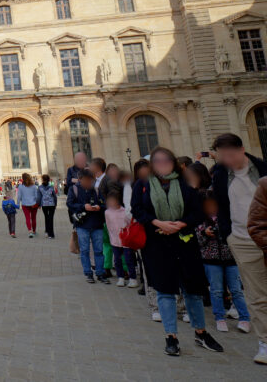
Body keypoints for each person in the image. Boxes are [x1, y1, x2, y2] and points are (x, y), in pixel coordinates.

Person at [133, 146, 221, 356]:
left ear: (173, 162)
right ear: (152, 165)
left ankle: (201, 332)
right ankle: (170, 336)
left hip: (184, 242)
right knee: (164, 291)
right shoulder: (142, 185)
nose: (162, 164)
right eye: (158, 161)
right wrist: (157, 223)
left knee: (193, 290)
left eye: (166, 160)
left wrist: (180, 224)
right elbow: (137, 210)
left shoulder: (184, 184)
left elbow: (198, 212)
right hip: (157, 244)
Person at [208, 132, 267, 364]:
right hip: (242, 240)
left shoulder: (263, 169)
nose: (227, 160)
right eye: (223, 157)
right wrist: (229, 235)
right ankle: (264, 342)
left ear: (242, 150)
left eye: (230, 155)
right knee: (257, 295)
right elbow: (221, 206)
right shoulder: (221, 175)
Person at [197, 192, 252, 334]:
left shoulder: (229, 218)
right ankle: (219, 317)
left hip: (231, 258)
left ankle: (244, 318)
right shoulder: (200, 220)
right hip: (211, 259)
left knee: (236, 290)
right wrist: (205, 233)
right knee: (216, 290)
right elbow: (198, 242)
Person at [67, 171, 108, 284]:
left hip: (97, 224)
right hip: (82, 225)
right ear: (80, 179)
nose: (89, 183)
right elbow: (69, 204)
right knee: (84, 250)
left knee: (99, 250)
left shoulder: (96, 190)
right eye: (87, 180)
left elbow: (105, 204)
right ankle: (88, 273)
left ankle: (100, 273)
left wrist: (99, 207)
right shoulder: (74, 189)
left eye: (91, 181)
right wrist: (83, 207)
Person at [104, 191, 138, 287]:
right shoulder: (107, 212)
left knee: (128, 259)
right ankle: (120, 277)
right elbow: (108, 225)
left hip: (126, 240)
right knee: (117, 260)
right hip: (114, 240)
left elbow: (130, 224)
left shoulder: (125, 212)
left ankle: (133, 278)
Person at [16, 173, 40, 238]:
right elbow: (36, 196)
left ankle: (30, 231)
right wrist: (38, 203)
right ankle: (34, 231)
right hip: (33, 204)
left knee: (27, 218)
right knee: (33, 218)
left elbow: (19, 196)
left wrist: (18, 204)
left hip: (25, 204)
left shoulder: (20, 186)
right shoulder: (34, 186)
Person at [38, 174, 58, 239]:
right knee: (51, 219)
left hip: (44, 205)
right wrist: (55, 204)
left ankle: (47, 231)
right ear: (49, 180)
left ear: (42, 180)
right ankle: (51, 234)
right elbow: (54, 196)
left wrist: (39, 204)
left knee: (46, 218)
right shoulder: (51, 187)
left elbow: (39, 197)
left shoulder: (40, 187)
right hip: (51, 204)